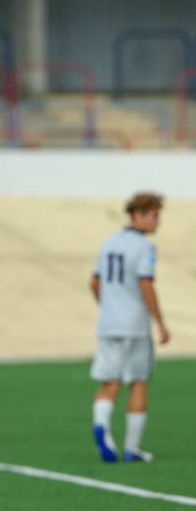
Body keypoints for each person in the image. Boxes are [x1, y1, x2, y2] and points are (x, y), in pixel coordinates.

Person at [90, 192, 170, 463]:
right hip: (134, 324)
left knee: (109, 381)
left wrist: (108, 306)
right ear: (139, 215)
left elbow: (94, 282)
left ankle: (102, 425)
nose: (157, 221)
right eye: (154, 215)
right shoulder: (144, 247)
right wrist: (160, 322)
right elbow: (145, 283)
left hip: (108, 323)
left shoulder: (108, 243)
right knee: (138, 382)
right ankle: (132, 448)